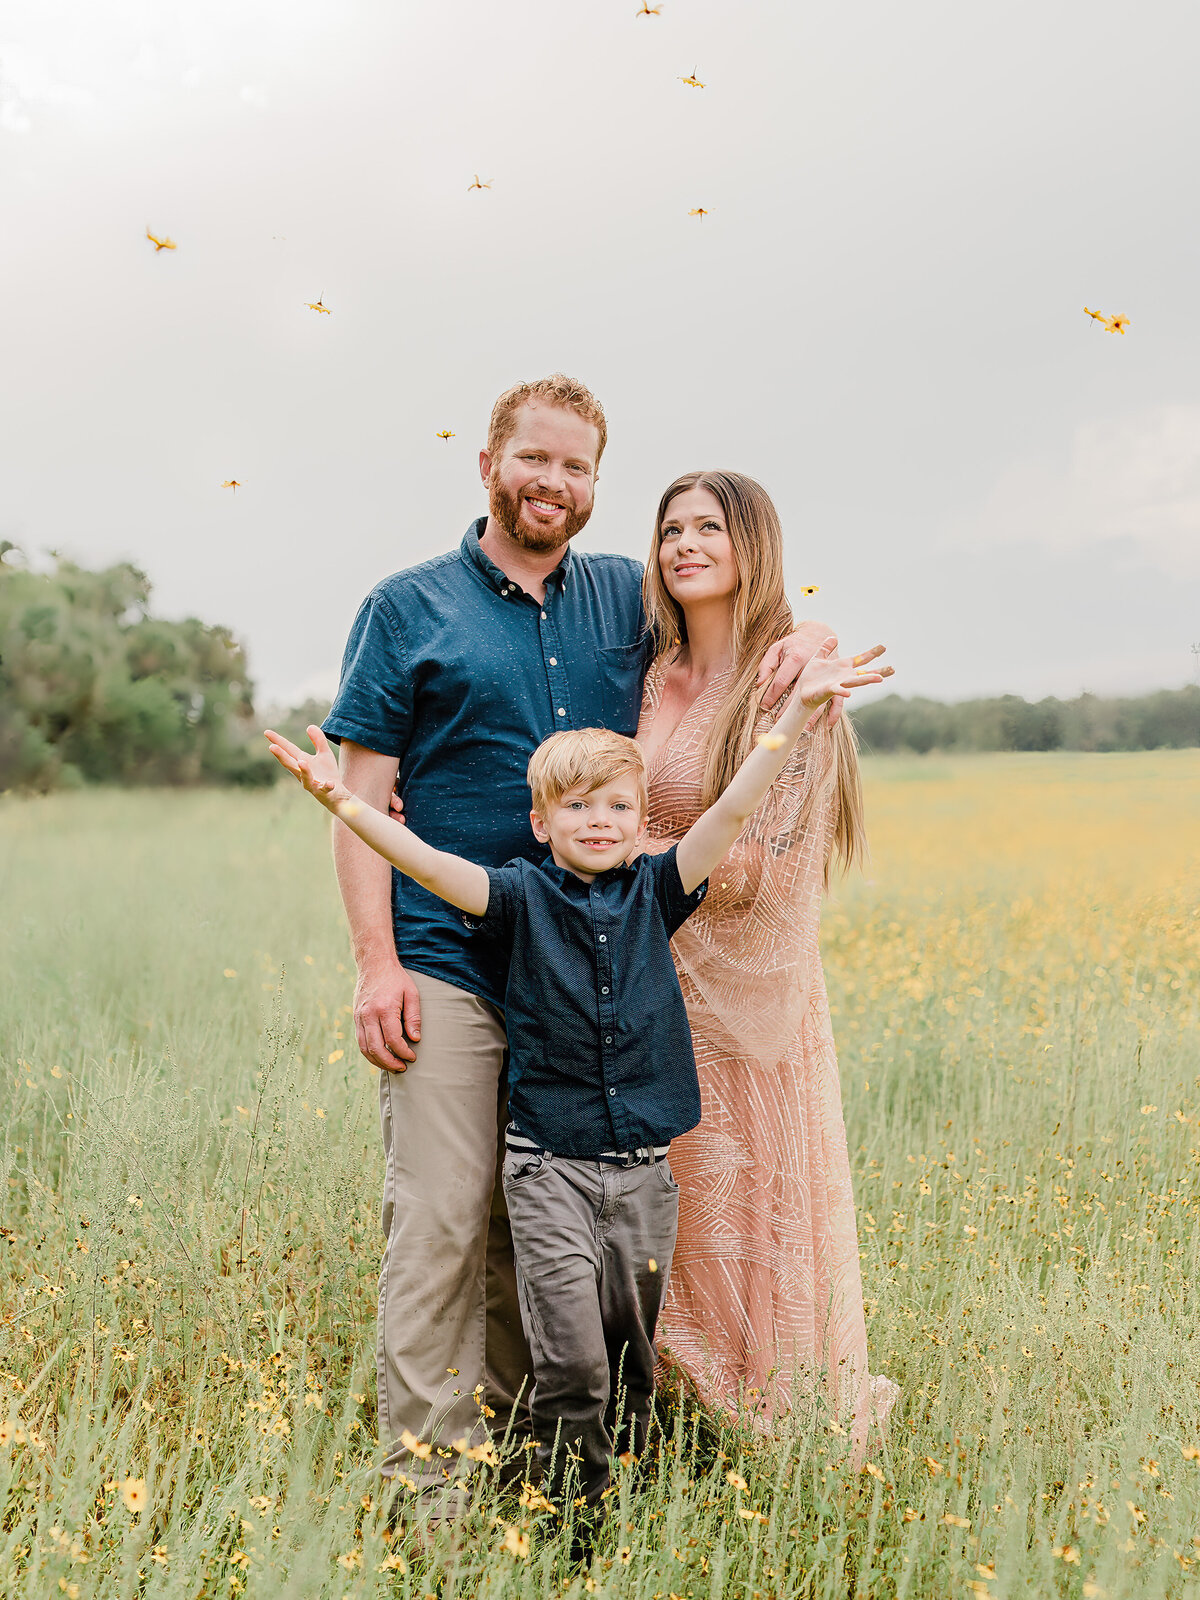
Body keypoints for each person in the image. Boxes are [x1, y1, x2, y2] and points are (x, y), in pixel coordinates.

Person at [318, 373, 833, 1507]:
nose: (555, 482)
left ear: (597, 481)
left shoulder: (621, 596)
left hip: (588, 984)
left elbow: (734, 611)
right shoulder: (406, 608)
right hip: (451, 961)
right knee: (446, 1217)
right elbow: (360, 800)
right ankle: (431, 1492)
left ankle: (531, 1464)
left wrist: (813, 639)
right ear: (490, 462)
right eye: (535, 458)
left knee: (537, 1233)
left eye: (578, 466)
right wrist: (376, 963)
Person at [264, 627, 887, 1508]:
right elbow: (430, 865)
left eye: (620, 810)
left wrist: (796, 710)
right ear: (539, 821)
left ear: (641, 822)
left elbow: (736, 808)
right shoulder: (516, 897)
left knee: (630, 1360)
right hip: (548, 1168)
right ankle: (570, 1517)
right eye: (578, 810)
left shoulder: (660, 889)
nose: (600, 824)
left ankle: (623, 1499)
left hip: (641, 1180)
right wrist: (346, 803)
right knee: (571, 1359)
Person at [633, 470, 901, 1449]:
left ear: (754, 547)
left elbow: (764, 868)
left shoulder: (792, 682)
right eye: (671, 529)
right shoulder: (650, 672)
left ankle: (767, 1427)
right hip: (640, 982)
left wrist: (611, 865)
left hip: (741, 997)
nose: (685, 544)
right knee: (658, 1211)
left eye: (710, 526)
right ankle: (667, 1418)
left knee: (741, 1207)